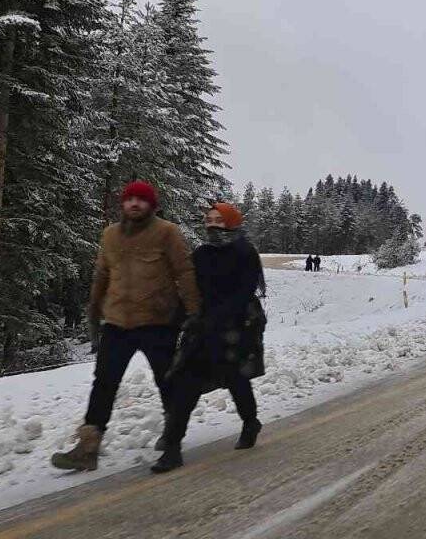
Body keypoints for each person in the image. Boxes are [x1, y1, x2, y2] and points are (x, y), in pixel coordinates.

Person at [51, 181, 201, 471]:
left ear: (152, 204)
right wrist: (94, 311)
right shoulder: (110, 235)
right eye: (130, 199)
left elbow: (185, 273)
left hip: (158, 323)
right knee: (104, 384)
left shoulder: (167, 232)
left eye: (141, 200)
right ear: (123, 204)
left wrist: (194, 314)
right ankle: (88, 448)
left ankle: (172, 442)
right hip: (117, 323)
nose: (134, 204)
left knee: (167, 381)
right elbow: (101, 275)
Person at [152, 202, 266, 473]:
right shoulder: (202, 253)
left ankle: (250, 422)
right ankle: (172, 448)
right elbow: (192, 289)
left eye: (219, 219)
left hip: (235, 330)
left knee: (236, 380)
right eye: (209, 219)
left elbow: (244, 293)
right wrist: (179, 317)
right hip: (203, 330)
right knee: (185, 383)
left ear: (232, 222)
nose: (212, 223)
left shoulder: (244, 252)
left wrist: (217, 318)